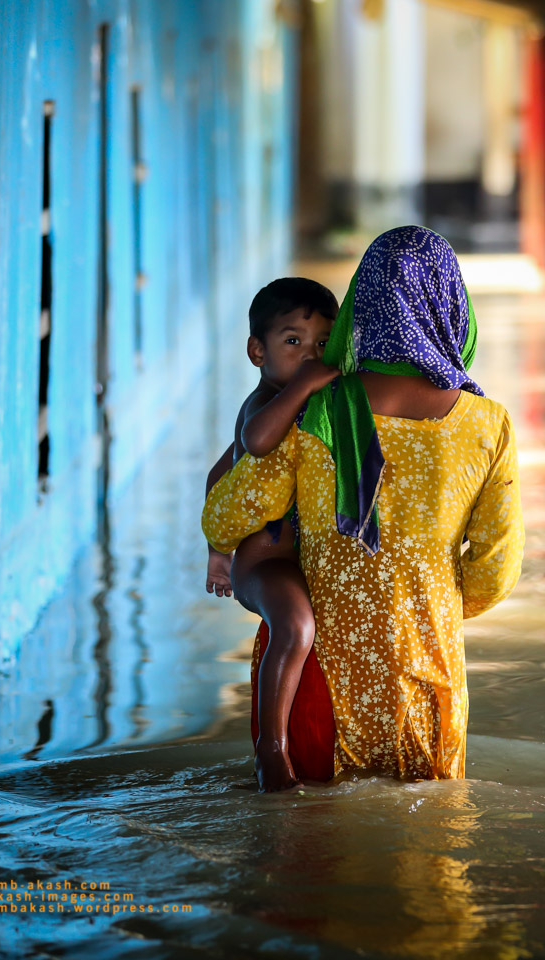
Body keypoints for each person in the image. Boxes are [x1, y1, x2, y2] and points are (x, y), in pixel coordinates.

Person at [203, 225, 525, 782]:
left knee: (301, 853)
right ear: (453, 308)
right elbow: (495, 571)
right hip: (429, 684)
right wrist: (424, 600)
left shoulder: (313, 407)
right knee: (429, 852)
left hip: (315, 685)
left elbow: (227, 517)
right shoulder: (488, 425)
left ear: (359, 308)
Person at [205, 277, 342, 792]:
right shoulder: (263, 403)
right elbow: (256, 442)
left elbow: (219, 476)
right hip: (265, 564)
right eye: (293, 342)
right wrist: (225, 557)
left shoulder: (309, 406)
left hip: (292, 560)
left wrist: (213, 550)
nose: (309, 356)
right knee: (296, 628)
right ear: (256, 350)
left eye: (323, 344)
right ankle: (272, 750)